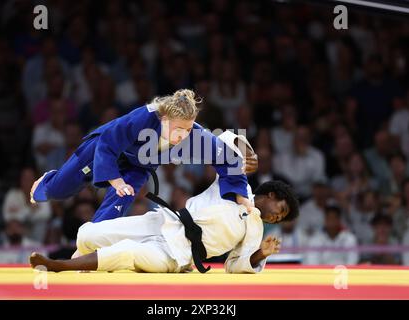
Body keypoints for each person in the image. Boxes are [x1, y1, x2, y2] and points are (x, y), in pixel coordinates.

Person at [30, 89, 252, 222]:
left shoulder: (195, 134)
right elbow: (108, 142)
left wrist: (241, 195)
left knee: (121, 199)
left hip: (138, 165)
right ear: (164, 119)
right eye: (177, 129)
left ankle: (90, 248)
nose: (182, 135)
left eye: (187, 129)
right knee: (59, 190)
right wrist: (115, 180)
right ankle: (49, 180)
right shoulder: (143, 117)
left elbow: (229, 160)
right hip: (104, 148)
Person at [29, 180, 299, 273]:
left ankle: (59, 265)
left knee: (125, 252)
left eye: (282, 218)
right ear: (272, 196)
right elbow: (227, 150)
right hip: (164, 222)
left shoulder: (255, 230)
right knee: (88, 233)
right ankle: (79, 264)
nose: (277, 217)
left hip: (178, 255)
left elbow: (235, 265)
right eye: (281, 210)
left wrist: (261, 253)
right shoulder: (236, 185)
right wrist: (245, 154)